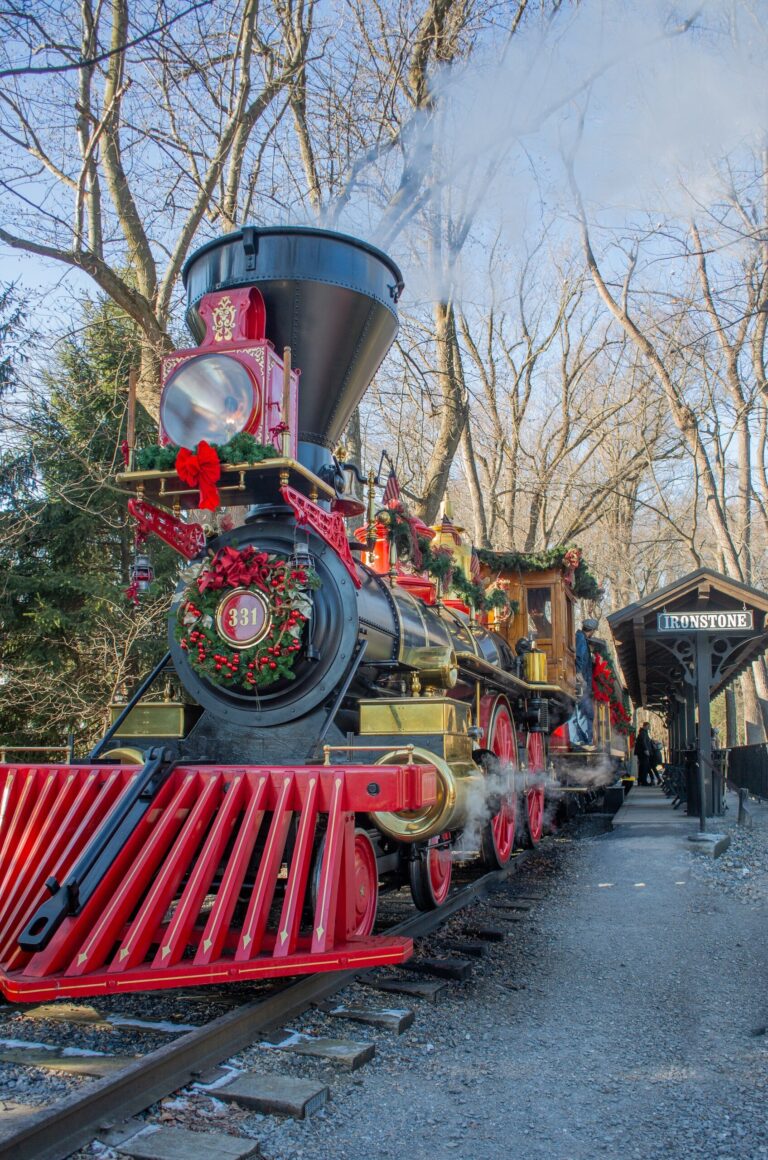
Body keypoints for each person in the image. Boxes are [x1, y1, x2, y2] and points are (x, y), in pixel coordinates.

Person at [569, 618, 599, 748]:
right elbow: (579, 657)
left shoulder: (580, 638)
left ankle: (578, 739)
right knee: (583, 710)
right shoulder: (581, 638)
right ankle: (583, 740)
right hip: (581, 681)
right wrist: (579, 674)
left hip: (580, 679)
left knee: (578, 710)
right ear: (591, 631)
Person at [634, 722, 655, 786]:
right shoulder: (643, 733)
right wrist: (646, 750)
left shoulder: (643, 732)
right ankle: (643, 782)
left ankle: (640, 781)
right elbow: (643, 742)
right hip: (643, 753)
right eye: (648, 726)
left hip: (642, 753)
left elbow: (645, 741)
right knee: (644, 768)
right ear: (645, 726)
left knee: (642, 767)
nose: (649, 728)